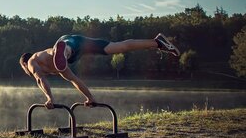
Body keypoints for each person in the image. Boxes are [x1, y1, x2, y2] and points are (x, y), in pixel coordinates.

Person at [19, 33, 180, 108]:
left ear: (24, 65)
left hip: (66, 43)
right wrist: (90, 98)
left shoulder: (32, 61)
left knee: (62, 50)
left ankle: (64, 50)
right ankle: (158, 43)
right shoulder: (60, 68)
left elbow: (40, 80)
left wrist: (49, 98)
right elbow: (76, 81)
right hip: (81, 45)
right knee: (120, 47)